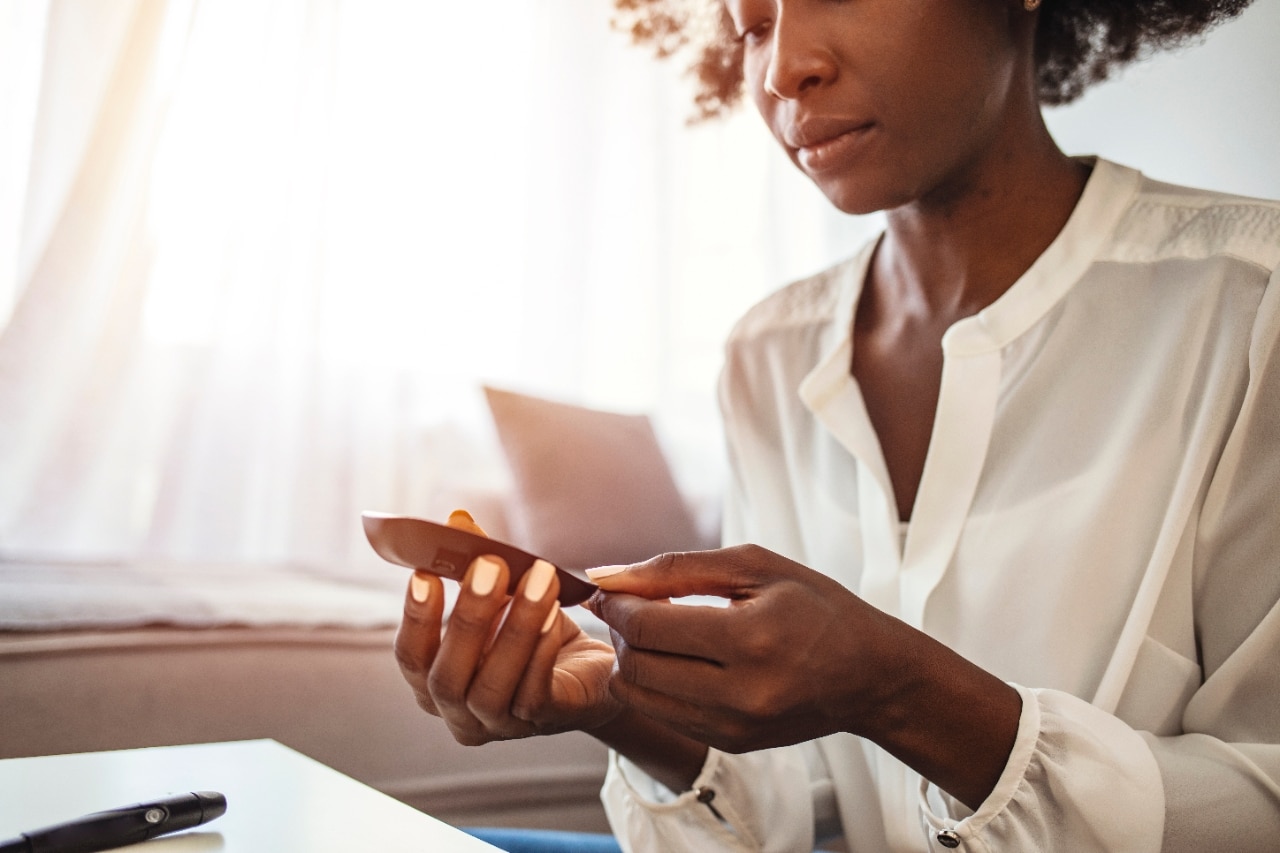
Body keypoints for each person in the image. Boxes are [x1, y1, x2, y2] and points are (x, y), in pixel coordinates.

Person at [394, 0, 1280, 850]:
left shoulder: (1252, 305)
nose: (783, 69)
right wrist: (620, 707)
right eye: (753, 26)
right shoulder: (768, 356)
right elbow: (795, 806)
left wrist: (897, 690)